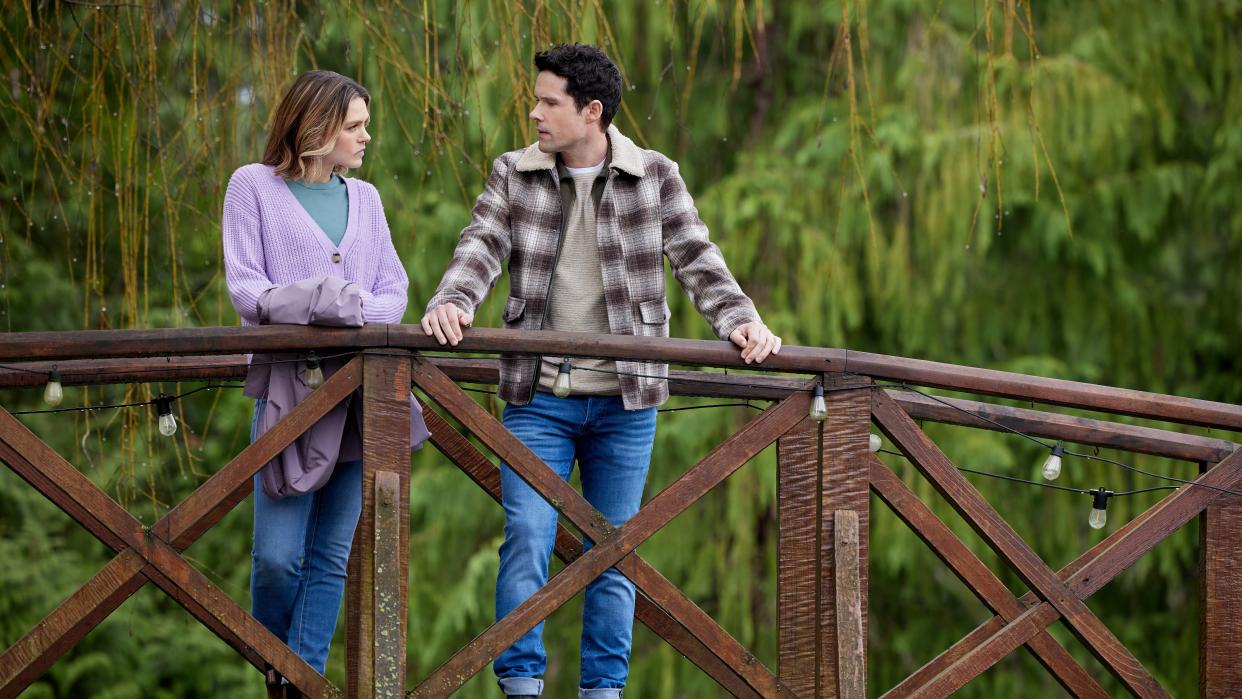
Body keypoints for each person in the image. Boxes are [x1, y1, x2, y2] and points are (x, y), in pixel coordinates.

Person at [421, 44, 780, 699]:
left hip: (625, 401)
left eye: (548, 102)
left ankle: (602, 691)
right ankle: (521, 684)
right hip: (537, 400)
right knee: (527, 534)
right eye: (535, 99)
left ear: (592, 111)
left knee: (613, 552)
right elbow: (479, 247)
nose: (533, 112)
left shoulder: (656, 176)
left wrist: (740, 319)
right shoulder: (515, 173)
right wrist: (452, 300)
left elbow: (697, 257)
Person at [222, 70, 410, 678]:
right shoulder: (251, 187)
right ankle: (274, 665)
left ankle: (299, 680)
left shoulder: (368, 199)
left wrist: (335, 304)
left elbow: (394, 295)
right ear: (318, 127)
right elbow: (249, 293)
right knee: (277, 558)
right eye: (355, 126)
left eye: (365, 125)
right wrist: (331, 301)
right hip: (289, 398)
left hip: (359, 396)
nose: (366, 137)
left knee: (330, 557)